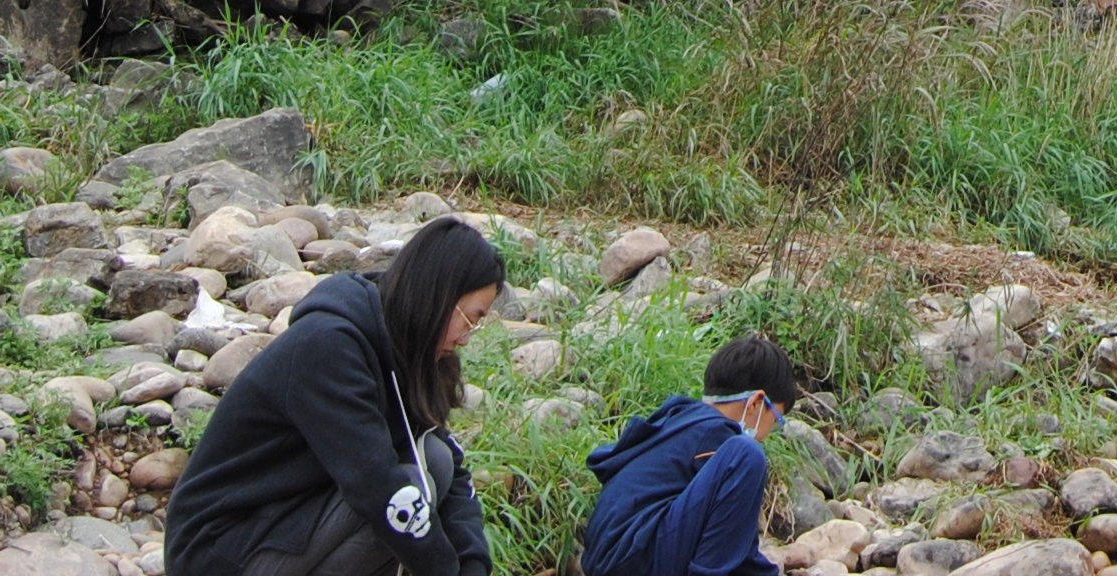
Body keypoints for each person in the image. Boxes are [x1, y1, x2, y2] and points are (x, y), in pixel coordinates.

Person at [167, 215, 504, 576]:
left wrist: (472, 566)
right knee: (405, 489)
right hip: (222, 548)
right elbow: (377, 488)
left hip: (286, 522)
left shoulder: (412, 349)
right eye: (470, 318)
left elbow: (453, 473)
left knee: (435, 459)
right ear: (440, 297)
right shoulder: (329, 345)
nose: (467, 336)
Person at [577, 332, 799, 576]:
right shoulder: (716, 435)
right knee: (747, 455)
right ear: (756, 402)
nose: (769, 432)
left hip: (615, 556)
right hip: (638, 556)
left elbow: (730, 544)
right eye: (776, 420)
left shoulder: (681, 424)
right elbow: (730, 542)